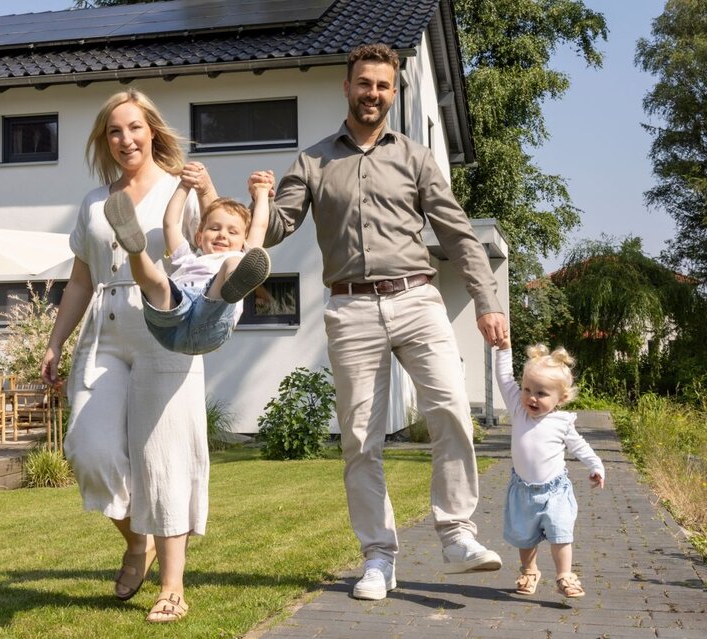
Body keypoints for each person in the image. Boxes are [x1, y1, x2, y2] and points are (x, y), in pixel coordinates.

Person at [249, 42, 508, 601]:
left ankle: (458, 534)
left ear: (395, 92)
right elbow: (276, 230)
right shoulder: (313, 162)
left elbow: (458, 233)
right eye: (364, 83)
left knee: (451, 411)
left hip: (418, 300)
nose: (373, 93)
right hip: (351, 308)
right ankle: (378, 557)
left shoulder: (416, 158)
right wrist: (255, 203)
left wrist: (487, 302)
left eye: (383, 85)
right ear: (346, 87)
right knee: (361, 439)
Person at [40, 89, 217, 624]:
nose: (126, 139)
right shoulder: (94, 202)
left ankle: (172, 585)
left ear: (153, 131)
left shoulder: (177, 188)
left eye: (135, 128)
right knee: (89, 449)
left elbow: (217, 245)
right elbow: (79, 279)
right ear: (105, 140)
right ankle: (135, 539)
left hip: (165, 326)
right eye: (115, 131)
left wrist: (207, 193)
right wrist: (54, 341)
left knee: (164, 455)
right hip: (104, 329)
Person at [103, 175, 273, 355]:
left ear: (243, 240)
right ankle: (135, 249)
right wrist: (183, 186)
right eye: (214, 228)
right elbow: (171, 224)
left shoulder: (240, 254)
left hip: (210, 322)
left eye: (232, 232)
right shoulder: (188, 258)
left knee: (234, 262)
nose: (222, 235)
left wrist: (262, 193)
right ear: (199, 237)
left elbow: (259, 226)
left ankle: (235, 280)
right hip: (171, 325)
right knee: (159, 282)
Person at [494, 337, 605, 598]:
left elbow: (579, 447)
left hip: (555, 491)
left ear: (561, 397)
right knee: (525, 537)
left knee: (561, 532)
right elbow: (502, 376)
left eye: (542, 393)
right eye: (527, 389)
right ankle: (529, 570)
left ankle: (565, 575)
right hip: (522, 491)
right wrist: (503, 347)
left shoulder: (562, 422)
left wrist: (596, 465)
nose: (532, 398)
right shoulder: (518, 411)